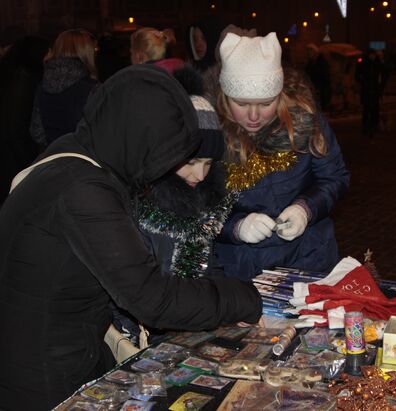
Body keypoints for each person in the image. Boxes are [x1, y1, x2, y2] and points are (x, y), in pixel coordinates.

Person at [0, 64, 262, 409]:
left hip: (43, 352)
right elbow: (153, 298)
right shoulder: (84, 190)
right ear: (140, 138)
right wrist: (242, 297)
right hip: (44, 376)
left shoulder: (78, 151)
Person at [112, 67, 235, 344]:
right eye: (191, 163)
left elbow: (209, 266)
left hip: (193, 331)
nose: (200, 175)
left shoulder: (204, 199)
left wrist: (226, 303)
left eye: (208, 164)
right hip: (147, 339)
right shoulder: (139, 208)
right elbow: (130, 291)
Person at [214, 32, 350, 280]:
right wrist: (236, 227)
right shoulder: (210, 133)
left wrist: (305, 209)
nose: (254, 116)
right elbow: (191, 207)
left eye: (266, 104)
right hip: (241, 268)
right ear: (225, 97)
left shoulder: (305, 121)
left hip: (310, 258)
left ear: (279, 96)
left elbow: (334, 176)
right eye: (242, 104)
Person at [0, 35, 50, 203]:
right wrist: (30, 164)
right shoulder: (23, 80)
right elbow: (16, 129)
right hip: (13, 163)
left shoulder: (13, 74)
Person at [29, 29, 99, 147]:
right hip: (84, 159)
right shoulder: (93, 89)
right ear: (87, 53)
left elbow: (36, 132)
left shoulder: (42, 86)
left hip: (53, 157)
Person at [355, 48, 386, 137]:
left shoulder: (377, 62)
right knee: (367, 109)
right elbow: (357, 75)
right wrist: (363, 81)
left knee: (375, 109)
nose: (372, 56)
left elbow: (384, 71)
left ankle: (373, 126)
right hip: (367, 89)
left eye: (373, 55)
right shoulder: (364, 63)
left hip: (375, 89)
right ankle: (365, 127)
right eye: (371, 55)